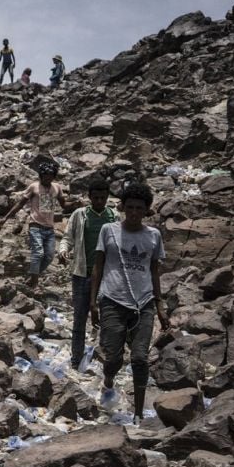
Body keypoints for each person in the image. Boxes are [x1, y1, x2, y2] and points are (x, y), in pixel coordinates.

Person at [89, 182, 170, 425]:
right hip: (113, 300)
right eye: (131, 207)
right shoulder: (108, 230)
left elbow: (154, 271)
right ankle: (109, 380)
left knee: (140, 359)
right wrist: (93, 303)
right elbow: (98, 266)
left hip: (143, 303)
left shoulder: (153, 236)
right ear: (123, 207)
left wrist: (160, 305)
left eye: (140, 208)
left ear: (147, 210)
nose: (134, 213)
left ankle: (137, 413)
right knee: (113, 358)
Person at [58, 177, 116, 369]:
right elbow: (68, 237)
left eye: (103, 198)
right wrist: (63, 250)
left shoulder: (113, 217)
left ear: (107, 197)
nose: (99, 201)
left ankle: (106, 359)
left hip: (107, 276)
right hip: (82, 273)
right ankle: (76, 359)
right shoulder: (79, 215)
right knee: (79, 317)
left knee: (107, 318)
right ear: (90, 197)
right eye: (96, 198)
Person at [0, 155, 67, 289]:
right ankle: (34, 283)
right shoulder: (34, 187)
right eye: (46, 175)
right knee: (38, 253)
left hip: (49, 228)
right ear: (41, 175)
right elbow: (20, 204)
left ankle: (32, 276)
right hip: (35, 226)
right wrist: (5, 218)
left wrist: (77, 203)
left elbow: (64, 205)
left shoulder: (57, 188)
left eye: (51, 175)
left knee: (49, 256)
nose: (48, 178)